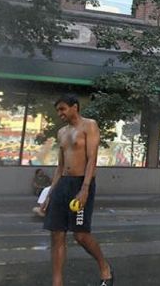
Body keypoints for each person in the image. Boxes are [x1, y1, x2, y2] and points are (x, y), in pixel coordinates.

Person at [39, 95, 114, 286]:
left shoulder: (90, 125)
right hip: (63, 183)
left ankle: (104, 266)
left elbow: (92, 160)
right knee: (56, 235)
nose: (60, 113)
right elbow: (60, 166)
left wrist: (85, 189)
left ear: (75, 107)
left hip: (81, 183)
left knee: (80, 235)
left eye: (63, 109)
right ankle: (57, 283)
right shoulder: (62, 132)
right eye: (58, 110)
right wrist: (50, 193)